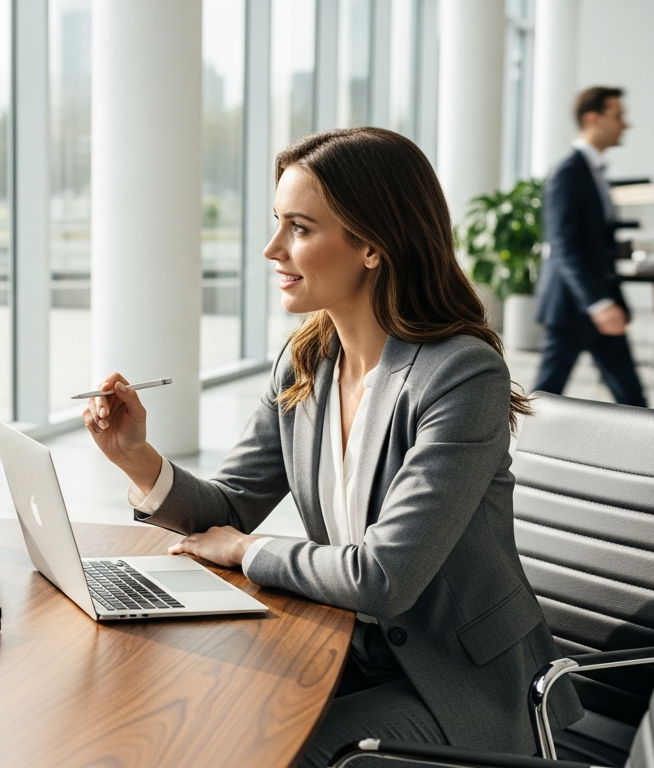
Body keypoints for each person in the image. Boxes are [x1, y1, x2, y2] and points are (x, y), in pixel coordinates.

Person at [81, 128, 581, 766]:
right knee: (192, 722)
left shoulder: (460, 375)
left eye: (299, 228)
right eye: (277, 223)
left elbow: (382, 578)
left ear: (371, 245)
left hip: (461, 687)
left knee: (279, 752)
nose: (272, 249)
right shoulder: (306, 362)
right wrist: (136, 457)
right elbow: (230, 508)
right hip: (345, 653)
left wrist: (248, 550)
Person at [533, 86, 646, 406]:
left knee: (631, 397)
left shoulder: (592, 171)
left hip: (598, 298)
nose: (625, 124)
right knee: (545, 396)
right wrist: (598, 303)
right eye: (618, 116)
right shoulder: (569, 172)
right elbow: (564, 245)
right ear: (592, 119)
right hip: (573, 305)